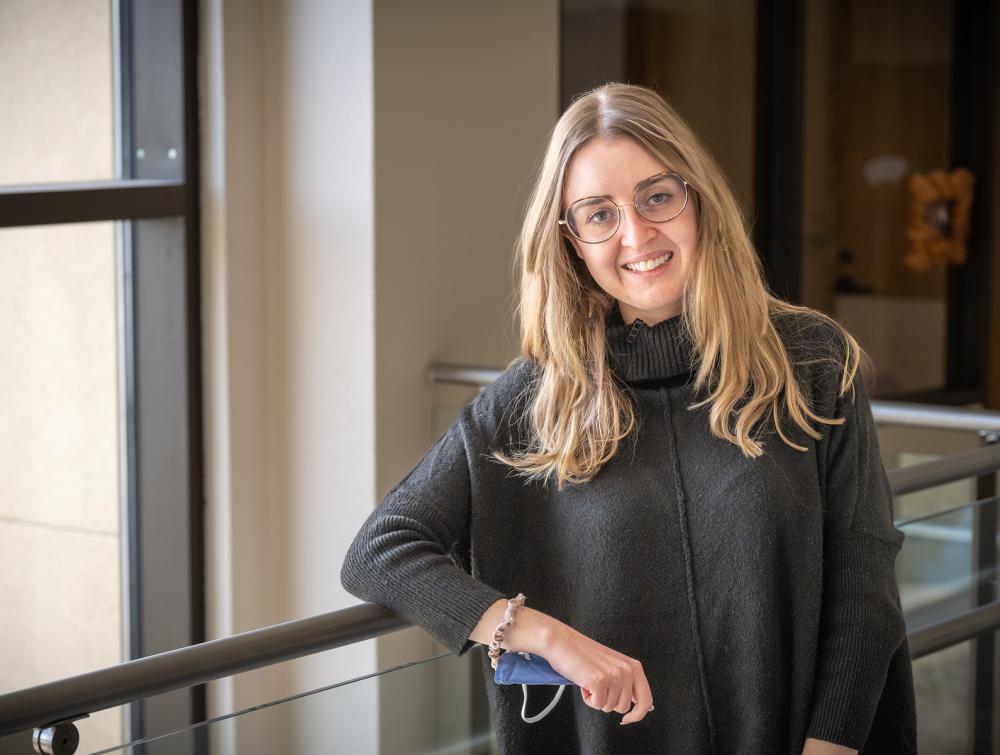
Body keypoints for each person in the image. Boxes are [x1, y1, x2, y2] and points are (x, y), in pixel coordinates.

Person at [340, 82, 917, 755]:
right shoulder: (533, 399)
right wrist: (543, 633)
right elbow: (380, 550)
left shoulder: (812, 361)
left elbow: (863, 585)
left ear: (698, 198)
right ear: (571, 241)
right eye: (598, 214)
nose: (637, 234)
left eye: (657, 197)